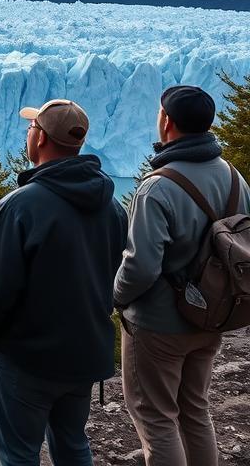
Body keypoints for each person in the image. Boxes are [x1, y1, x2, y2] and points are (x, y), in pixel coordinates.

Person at [0, 99, 128, 466]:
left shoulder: (21, 205)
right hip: (85, 352)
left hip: (28, 358)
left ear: (41, 139)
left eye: (31, 128)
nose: (27, 133)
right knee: (73, 443)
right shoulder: (112, 206)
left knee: (18, 454)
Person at [114, 85, 250, 466]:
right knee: (195, 410)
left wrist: (118, 297)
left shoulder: (157, 188)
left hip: (158, 325)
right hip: (212, 320)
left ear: (167, 122)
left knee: (157, 419)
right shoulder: (236, 178)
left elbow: (141, 266)